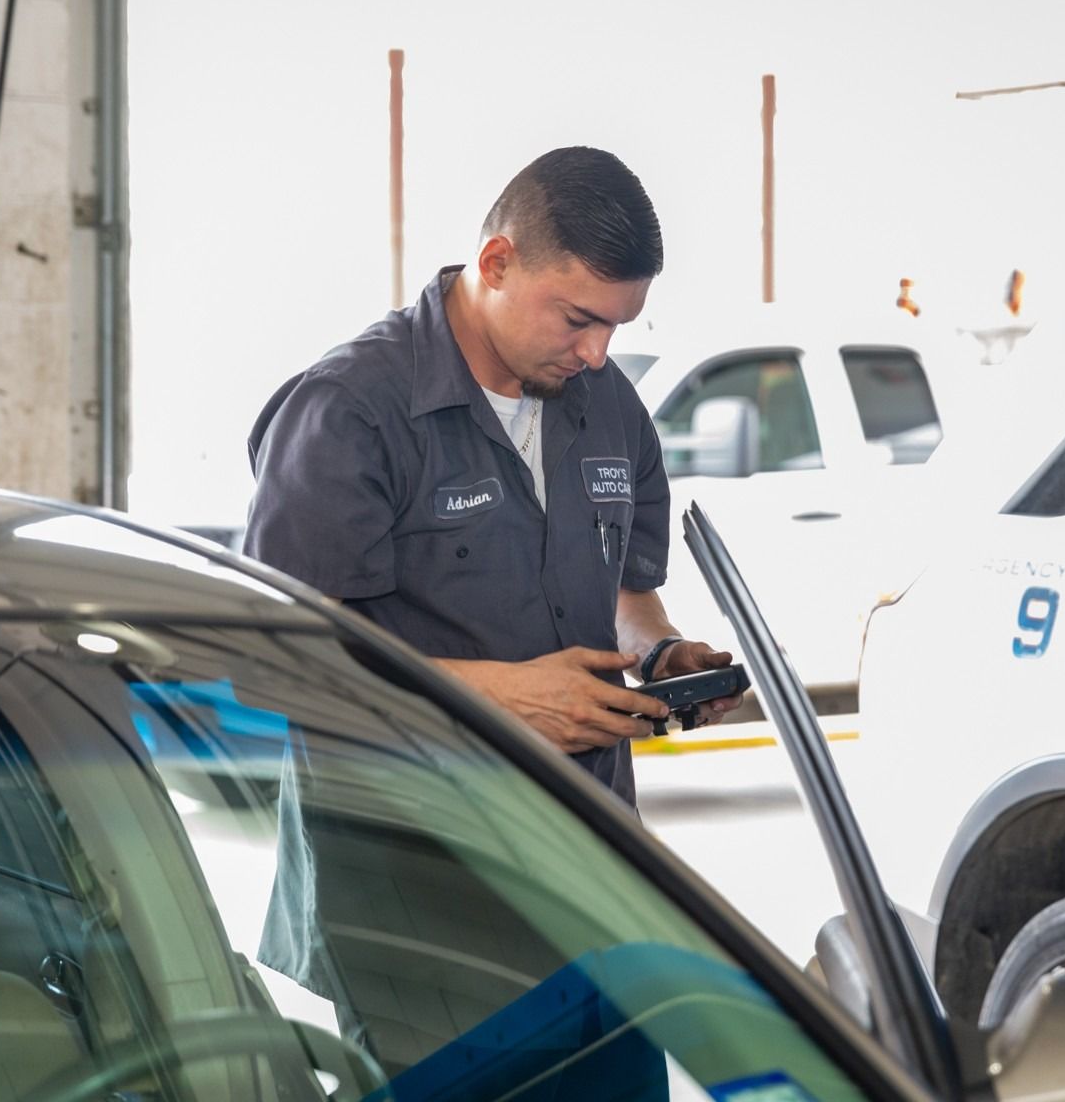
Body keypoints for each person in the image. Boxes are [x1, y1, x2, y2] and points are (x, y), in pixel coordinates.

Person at [244, 146, 739, 809]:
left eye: (615, 326)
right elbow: (279, 662)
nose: (597, 354)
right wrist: (502, 698)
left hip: (594, 851)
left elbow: (624, 595)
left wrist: (659, 654)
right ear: (497, 263)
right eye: (578, 319)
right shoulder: (350, 412)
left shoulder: (611, 405)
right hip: (412, 869)